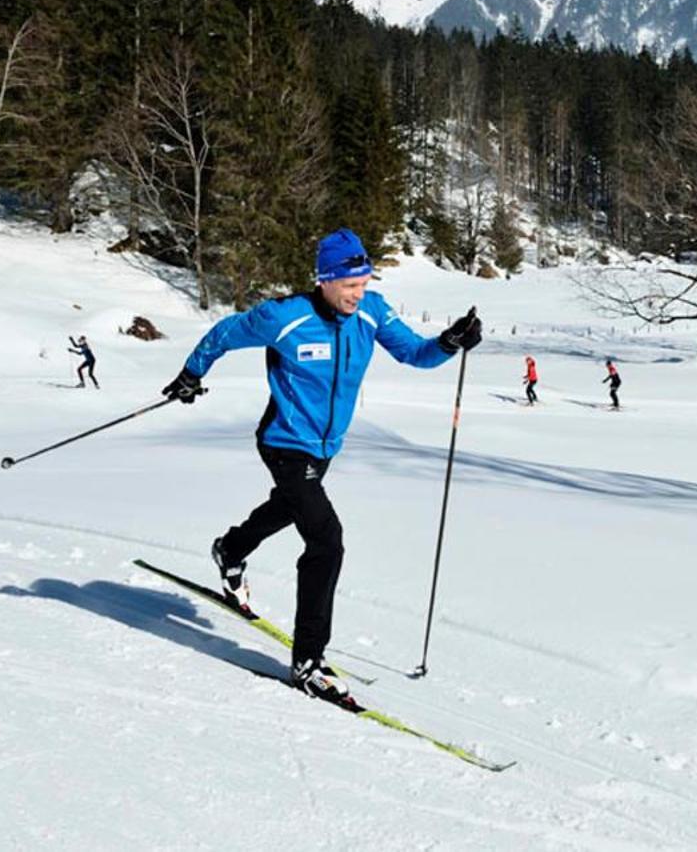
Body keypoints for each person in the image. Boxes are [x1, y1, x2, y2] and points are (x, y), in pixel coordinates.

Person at [161, 228, 482, 706]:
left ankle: (230, 550)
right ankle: (308, 661)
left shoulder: (372, 313)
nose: (359, 294)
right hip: (284, 442)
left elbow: (416, 353)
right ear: (325, 280)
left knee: (288, 509)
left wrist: (450, 341)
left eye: (365, 283)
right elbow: (225, 333)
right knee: (326, 540)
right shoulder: (285, 317)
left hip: (326, 447)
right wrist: (192, 372)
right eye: (350, 285)